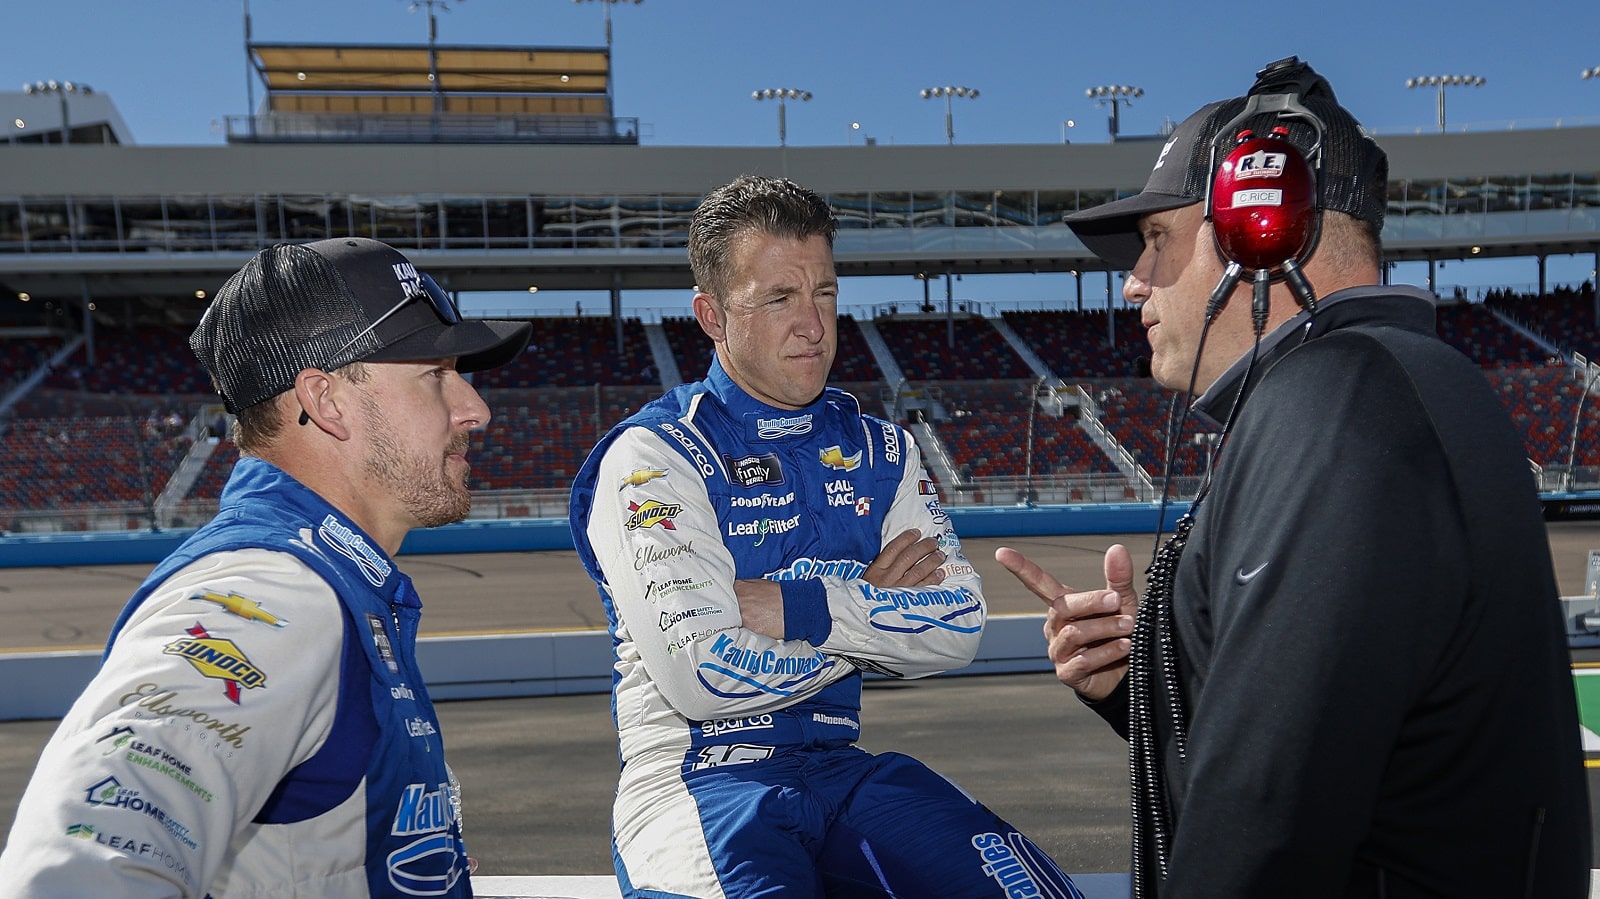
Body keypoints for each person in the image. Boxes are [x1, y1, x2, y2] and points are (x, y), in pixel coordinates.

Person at [996, 58, 1591, 897]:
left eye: (1156, 241)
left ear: (1256, 225)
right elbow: (1342, 739)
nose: (1132, 282)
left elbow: (1266, 814)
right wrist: (1144, 678)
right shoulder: (1388, 385)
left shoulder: (1339, 403)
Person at [569, 175, 1081, 898]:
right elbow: (705, 675)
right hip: (694, 783)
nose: (813, 324)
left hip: (843, 768)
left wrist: (798, 606)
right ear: (711, 316)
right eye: (779, 298)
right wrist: (868, 604)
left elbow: (959, 627)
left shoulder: (883, 451)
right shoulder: (654, 456)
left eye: (826, 294)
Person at [0, 237, 532, 897]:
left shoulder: (334, 582)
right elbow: (69, 873)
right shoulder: (266, 594)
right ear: (328, 399)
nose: (474, 409)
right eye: (436, 375)